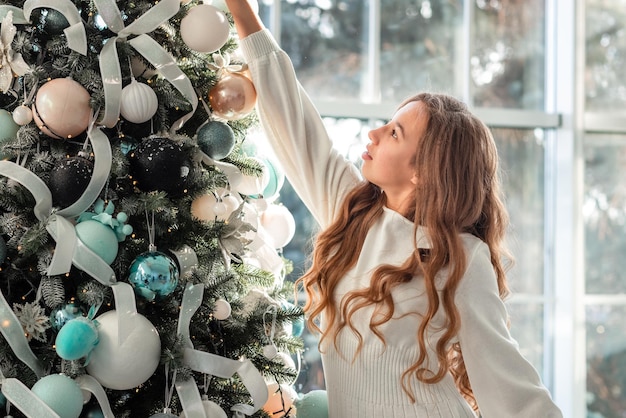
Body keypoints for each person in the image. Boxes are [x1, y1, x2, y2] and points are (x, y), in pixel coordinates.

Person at [224, 1, 563, 417]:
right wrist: (241, 11)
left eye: (394, 132)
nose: (375, 132)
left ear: (422, 170)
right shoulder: (352, 212)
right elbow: (295, 123)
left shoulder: (461, 258)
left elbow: (511, 388)